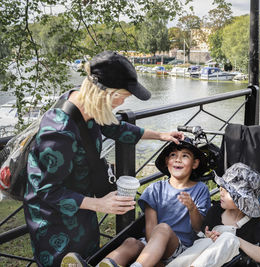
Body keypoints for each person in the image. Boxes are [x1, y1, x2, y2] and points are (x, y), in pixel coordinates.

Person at [23, 51, 185, 267]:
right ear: (105, 93)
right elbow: (45, 191)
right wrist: (99, 203)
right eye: (123, 97)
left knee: (87, 261)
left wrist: (160, 135)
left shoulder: (88, 106)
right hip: (54, 222)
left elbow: (117, 128)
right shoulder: (59, 131)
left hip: (82, 209)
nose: (123, 102)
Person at [61, 137, 211, 267]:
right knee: (131, 242)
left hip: (179, 249)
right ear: (167, 161)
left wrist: (191, 207)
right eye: (173, 155)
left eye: (185, 156)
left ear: (195, 163)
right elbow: (150, 228)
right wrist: (153, 256)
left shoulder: (200, 189)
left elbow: (197, 227)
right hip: (152, 245)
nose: (178, 159)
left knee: (163, 228)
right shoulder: (154, 189)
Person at [166, 162, 260, 267]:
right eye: (221, 188)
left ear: (242, 199)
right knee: (206, 242)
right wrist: (208, 236)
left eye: (227, 190)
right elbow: (199, 236)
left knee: (229, 238)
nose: (221, 192)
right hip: (206, 261)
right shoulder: (215, 211)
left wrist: (238, 241)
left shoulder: (256, 223)